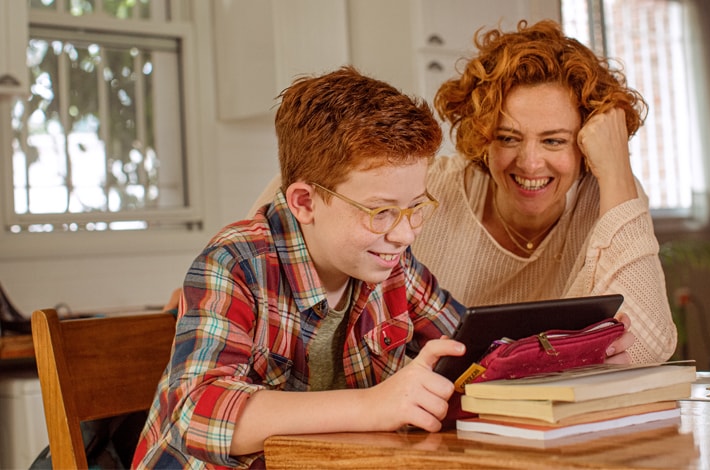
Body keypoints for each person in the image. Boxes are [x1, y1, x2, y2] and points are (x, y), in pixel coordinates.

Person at [250, 20, 677, 365]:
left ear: (584, 147)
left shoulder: (608, 194)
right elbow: (291, 199)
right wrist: (239, 276)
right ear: (482, 137)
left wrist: (619, 172)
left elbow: (647, 345)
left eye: (554, 141)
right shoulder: (420, 191)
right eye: (508, 138)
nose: (529, 163)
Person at [132, 67, 465, 468]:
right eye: (380, 212)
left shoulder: (390, 264)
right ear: (305, 202)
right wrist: (374, 405)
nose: (405, 234)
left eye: (415, 208)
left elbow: (469, 345)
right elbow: (199, 415)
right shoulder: (236, 262)